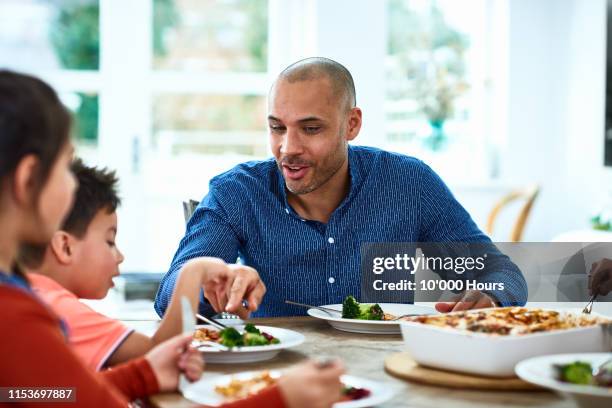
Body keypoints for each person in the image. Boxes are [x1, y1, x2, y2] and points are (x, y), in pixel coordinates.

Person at [0, 70, 345, 408]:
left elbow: (47, 395)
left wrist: (142, 376)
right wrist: (281, 400)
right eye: (64, 167)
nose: (74, 185)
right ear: (28, 179)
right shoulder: (17, 316)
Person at [155, 57, 528, 318]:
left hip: (388, 371)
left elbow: (501, 272)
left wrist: (492, 295)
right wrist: (202, 275)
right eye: (277, 127)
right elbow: (166, 298)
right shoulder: (237, 192)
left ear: (351, 124)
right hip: (280, 377)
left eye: (311, 128)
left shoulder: (409, 183)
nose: (289, 148)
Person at [19, 158, 266, 370]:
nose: (120, 256)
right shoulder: (60, 310)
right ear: (65, 247)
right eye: (109, 241)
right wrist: (194, 271)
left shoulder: (29, 296)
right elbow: (158, 354)